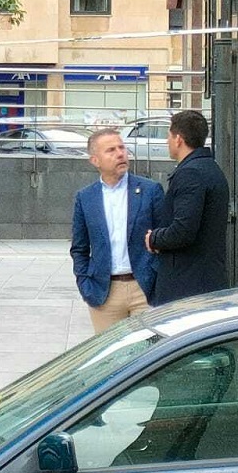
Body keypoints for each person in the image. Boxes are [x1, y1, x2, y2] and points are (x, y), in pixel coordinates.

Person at [70, 129, 163, 333]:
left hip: (144, 290)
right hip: (105, 293)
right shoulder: (86, 198)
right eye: (111, 150)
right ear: (95, 160)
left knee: (148, 354)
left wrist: (156, 277)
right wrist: (86, 285)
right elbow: (79, 248)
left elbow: (164, 238)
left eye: (122, 147)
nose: (120, 153)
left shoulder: (150, 190)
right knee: (111, 360)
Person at [146, 110, 230, 305]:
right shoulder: (209, 168)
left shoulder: (191, 173)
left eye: (168, 135)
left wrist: (154, 238)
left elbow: (183, 231)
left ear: (178, 139)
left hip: (188, 286)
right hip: (202, 281)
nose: (167, 141)